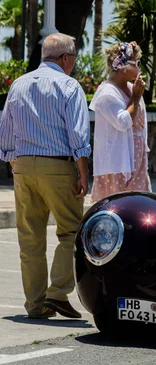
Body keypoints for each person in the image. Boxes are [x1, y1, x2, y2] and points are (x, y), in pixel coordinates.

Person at [0, 33, 90, 319]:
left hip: (23, 166)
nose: (74, 63)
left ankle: (35, 304)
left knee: (30, 238)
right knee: (72, 230)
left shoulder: (18, 84)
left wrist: (14, 163)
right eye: (73, 58)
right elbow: (78, 133)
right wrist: (83, 172)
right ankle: (58, 293)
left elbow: (6, 130)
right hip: (58, 165)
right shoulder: (69, 86)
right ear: (64, 58)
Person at [90, 42, 151, 202]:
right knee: (119, 208)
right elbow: (123, 122)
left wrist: (136, 95)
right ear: (123, 67)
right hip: (118, 165)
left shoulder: (131, 88)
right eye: (136, 63)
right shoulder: (107, 94)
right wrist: (136, 97)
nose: (139, 68)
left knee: (138, 208)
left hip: (136, 162)